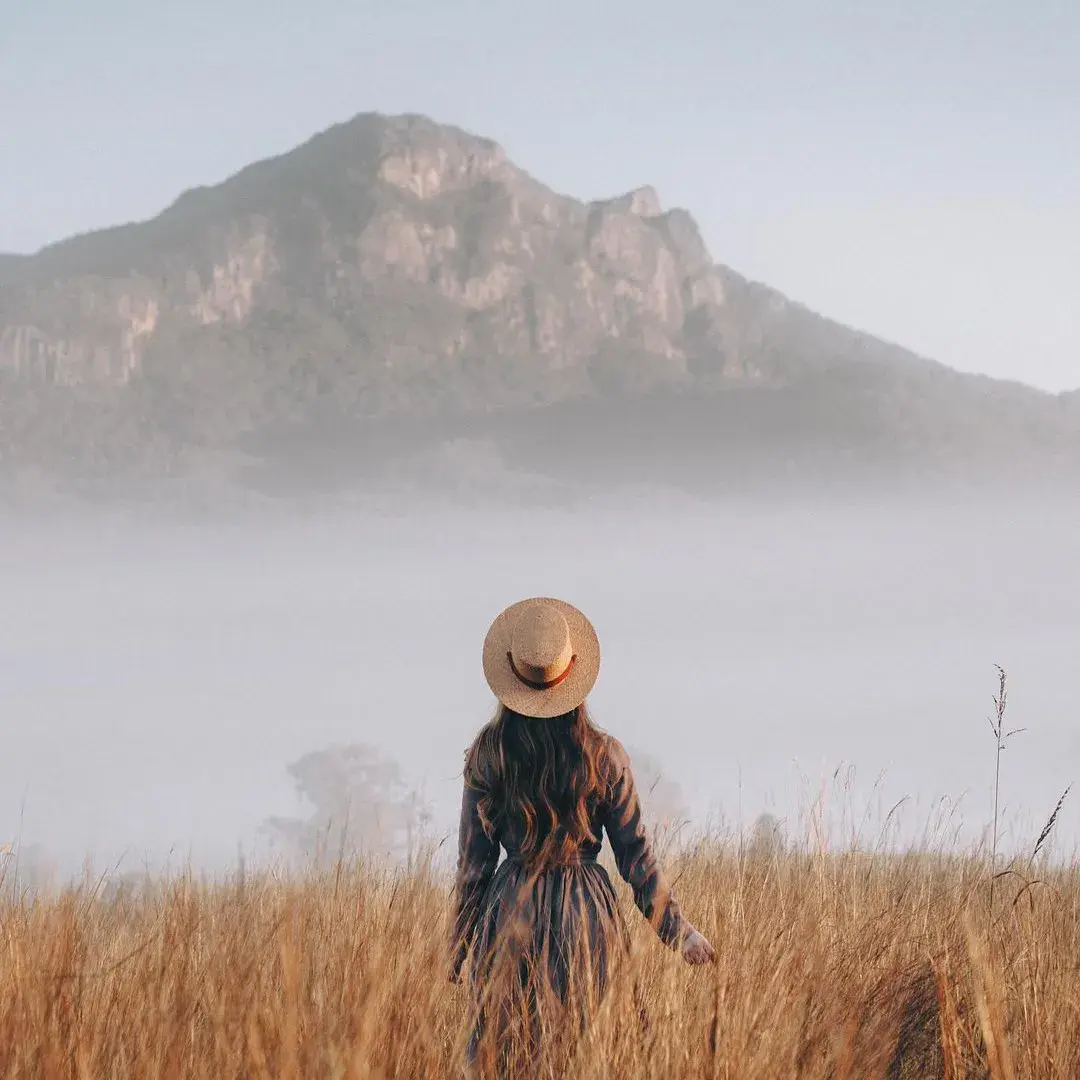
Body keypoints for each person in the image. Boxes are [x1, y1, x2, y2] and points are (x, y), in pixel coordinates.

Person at [450, 597, 715, 1074]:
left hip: (511, 911)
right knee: (590, 1053)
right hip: (586, 917)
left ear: (511, 682)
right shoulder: (604, 756)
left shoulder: (489, 756)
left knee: (510, 1055)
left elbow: (473, 868)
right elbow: (637, 861)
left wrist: (458, 947)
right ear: (572, 678)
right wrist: (681, 933)